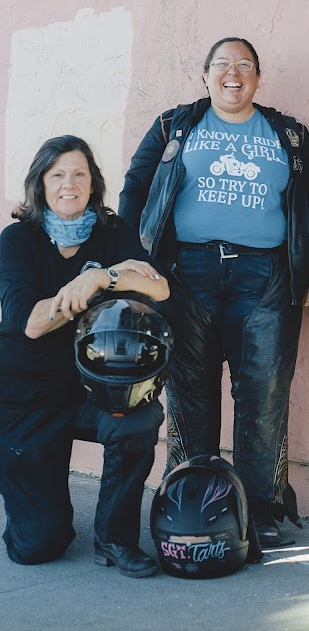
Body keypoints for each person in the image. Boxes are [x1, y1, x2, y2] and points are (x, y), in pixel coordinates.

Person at [118, 36, 309, 547]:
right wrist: (134, 262)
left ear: (258, 77)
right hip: (185, 273)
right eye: (222, 65)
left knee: (264, 392)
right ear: (205, 75)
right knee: (190, 393)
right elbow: (135, 188)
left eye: (245, 65)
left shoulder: (289, 135)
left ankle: (259, 510)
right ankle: (191, 504)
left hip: (266, 276)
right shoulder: (176, 126)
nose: (233, 74)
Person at [0, 135, 170, 577]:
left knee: (138, 420)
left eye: (79, 174)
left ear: (93, 183)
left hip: (92, 391)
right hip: (25, 396)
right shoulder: (17, 240)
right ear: (40, 185)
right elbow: (32, 322)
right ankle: (28, 506)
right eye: (57, 175)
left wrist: (98, 279)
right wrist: (76, 292)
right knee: (38, 544)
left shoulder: (113, 234)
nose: (68, 184)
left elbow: (159, 287)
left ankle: (115, 539)